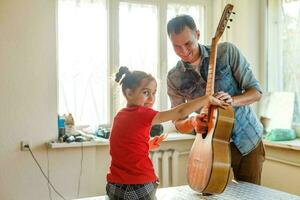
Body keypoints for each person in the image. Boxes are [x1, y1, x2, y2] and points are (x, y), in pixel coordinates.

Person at [166, 14, 265, 185]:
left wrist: (231, 100)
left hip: (248, 142)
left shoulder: (226, 52)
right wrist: (193, 123)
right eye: (176, 46)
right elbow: (178, 121)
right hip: (209, 149)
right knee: (209, 194)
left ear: (197, 34)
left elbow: (256, 92)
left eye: (188, 43)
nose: (183, 51)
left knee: (250, 196)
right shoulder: (174, 77)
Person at [106, 66, 227, 200]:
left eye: (154, 93)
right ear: (129, 93)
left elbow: (122, 145)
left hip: (114, 187)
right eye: (146, 92)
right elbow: (179, 112)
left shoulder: (120, 115)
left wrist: (147, 144)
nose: (151, 98)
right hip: (139, 186)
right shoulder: (142, 113)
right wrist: (207, 99)